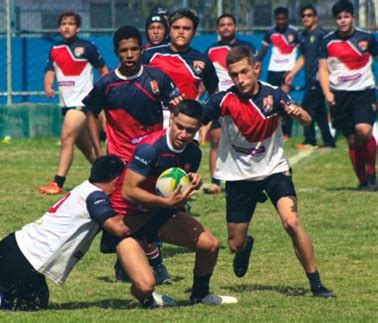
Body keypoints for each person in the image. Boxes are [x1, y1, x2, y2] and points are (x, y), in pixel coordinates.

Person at [0, 155, 131, 311]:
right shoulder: (96, 197)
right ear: (115, 179)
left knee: (8, 286)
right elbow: (118, 228)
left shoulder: (82, 189)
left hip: (10, 247)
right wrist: (154, 210)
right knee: (34, 301)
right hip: (26, 261)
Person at [203, 46, 336, 298]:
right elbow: (200, 117)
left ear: (256, 69)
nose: (239, 79)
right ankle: (245, 246)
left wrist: (300, 115)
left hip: (274, 170)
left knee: (292, 222)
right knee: (234, 244)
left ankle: (316, 284)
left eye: (244, 72)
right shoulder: (223, 98)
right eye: (234, 75)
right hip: (239, 176)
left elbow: (307, 119)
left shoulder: (274, 95)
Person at [114, 99, 238, 306]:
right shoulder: (150, 149)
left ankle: (201, 294)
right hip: (128, 222)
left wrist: (191, 181)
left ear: (198, 129)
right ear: (171, 119)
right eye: (179, 127)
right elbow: (128, 191)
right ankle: (147, 298)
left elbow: (175, 182)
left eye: (190, 130)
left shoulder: (193, 153)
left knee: (211, 245)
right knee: (145, 285)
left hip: (160, 214)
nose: (183, 134)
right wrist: (165, 201)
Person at [85, 25, 182, 284]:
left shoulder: (157, 78)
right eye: (123, 50)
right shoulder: (106, 84)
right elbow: (90, 113)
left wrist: (174, 140)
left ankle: (125, 259)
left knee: (149, 209)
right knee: (127, 214)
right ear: (117, 53)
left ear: (142, 49)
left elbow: (178, 109)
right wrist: (97, 151)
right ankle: (153, 262)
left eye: (133, 49)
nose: (129, 54)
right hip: (120, 160)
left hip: (151, 157)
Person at [38, 11, 109, 195]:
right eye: (63, 23)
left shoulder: (87, 47)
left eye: (71, 23)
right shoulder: (55, 50)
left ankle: (57, 183)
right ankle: (112, 176)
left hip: (82, 103)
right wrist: (47, 82)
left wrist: (108, 91)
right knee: (88, 149)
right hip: (66, 104)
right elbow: (50, 70)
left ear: (78, 27)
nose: (67, 26)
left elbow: (103, 70)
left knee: (66, 138)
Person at [318, 1, 377, 191]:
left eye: (346, 16)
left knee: (364, 131)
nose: (343, 21)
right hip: (340, 96)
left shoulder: (366, 38)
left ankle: (371, 173)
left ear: (353, 17)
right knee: (352, 140)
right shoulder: (328, 41)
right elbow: (323, 69)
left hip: (363, 92)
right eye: (339, 17)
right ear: (335, 20)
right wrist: (327, 93)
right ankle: (362, 181)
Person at [204, 13, 256, 194]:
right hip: (221, 102)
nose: (226, 27)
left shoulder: (247, 47)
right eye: (222, 25)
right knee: (217, 140)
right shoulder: (211, 51)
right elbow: (206, 78)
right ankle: (215, 181)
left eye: (229, 24)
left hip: (242, 100)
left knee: (244, 140)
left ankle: (245, 177)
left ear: (235, 26)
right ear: (218, 29)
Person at [285, 4, 336, 150]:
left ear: (315, 17)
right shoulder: (304, 36)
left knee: (306, 107)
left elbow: (329, 57)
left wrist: (329, 76)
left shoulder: (321, 35)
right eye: (303, 16)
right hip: (309, 79)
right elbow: (303, 57)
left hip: (318, 79)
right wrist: (292, 73)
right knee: (319, 112)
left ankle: (309, 140)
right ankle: (328, 142)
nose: (305, 18)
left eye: (309, 15)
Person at [257, 6, 300, 139]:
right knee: (270, 100)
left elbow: (303, 52)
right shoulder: (270, 33)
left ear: (287, 18)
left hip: (287, 72)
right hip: (273, 71)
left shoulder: (295, 32)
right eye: (278, 19)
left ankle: (287, 132)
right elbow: (262, 52)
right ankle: (271, 130)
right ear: (275, 19)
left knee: (285, 100)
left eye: (283, 19)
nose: (280, 21)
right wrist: (257, 62)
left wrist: (293, 70)